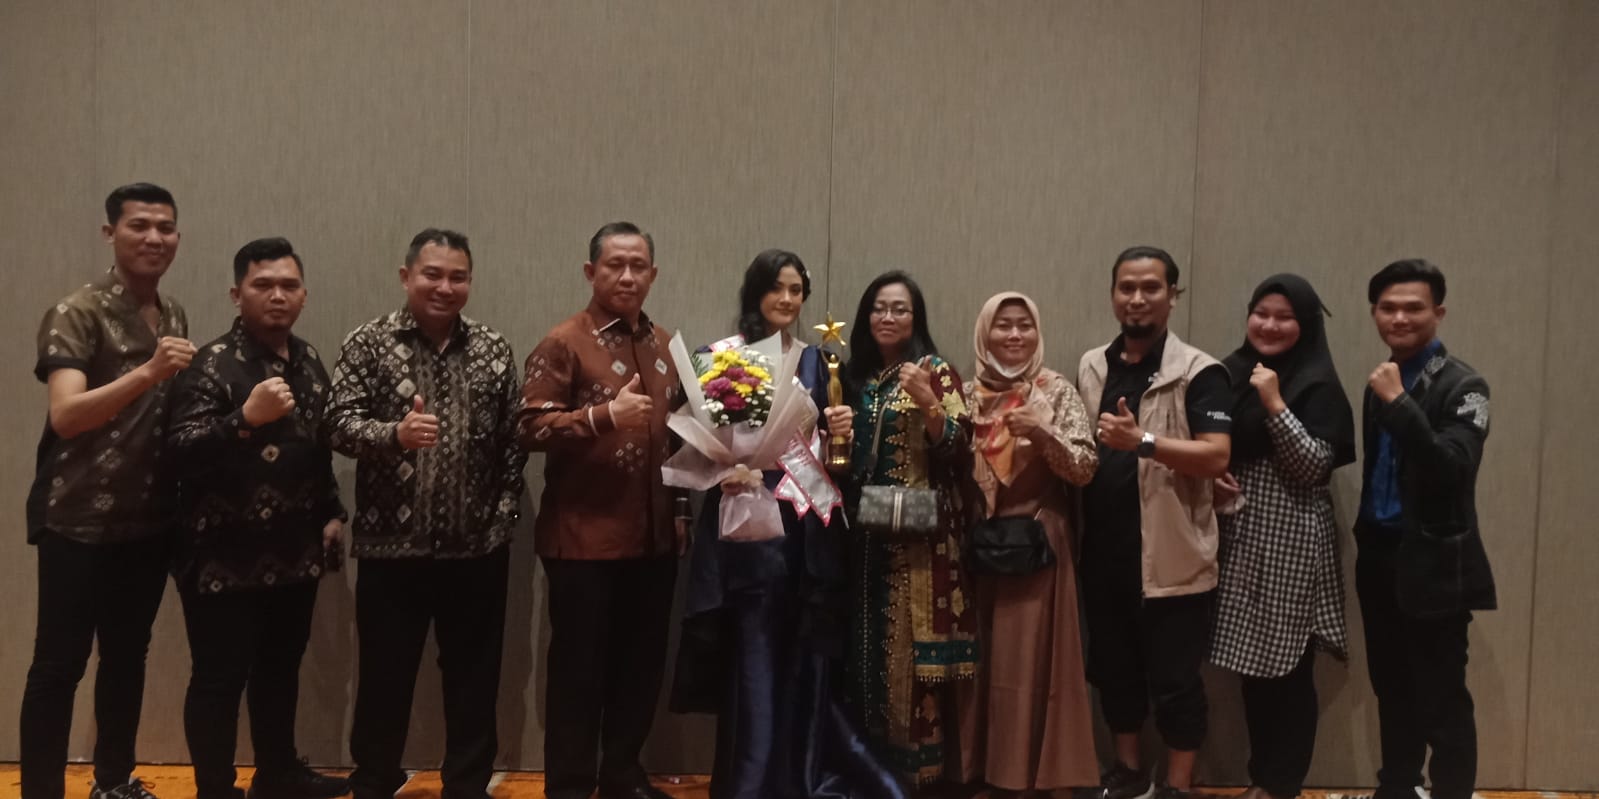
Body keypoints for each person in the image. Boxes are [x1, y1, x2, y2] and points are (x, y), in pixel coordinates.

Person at [669, 250, 906, 799]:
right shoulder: (723, 358)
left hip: (805, 522)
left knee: (805, 653)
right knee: (753, 649)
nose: (786, 299)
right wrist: (723, 470)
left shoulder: (822, 364)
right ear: (756, 292)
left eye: (796, 290)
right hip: (746, 519)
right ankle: (751, 781)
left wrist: (842, 430)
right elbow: (694, 443)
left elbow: (837, 459)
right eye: (776, 287)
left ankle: (798, 774)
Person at [328, 228, 527, 799]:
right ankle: (374, 782)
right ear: (406, 276)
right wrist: (394, 434)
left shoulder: (492, 347)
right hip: (393, 550)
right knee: (385, 677)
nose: (445, 287)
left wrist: (503, 515)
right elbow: (336, 423)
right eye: (432, 275)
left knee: (474, 679)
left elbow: (513, 440)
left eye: (457, 277)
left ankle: (466, 786)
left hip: (477, 548)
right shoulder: (368, 342)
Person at [22, 183, 194, 799]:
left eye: (165, 227)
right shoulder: (77, 311)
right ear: (110, 233)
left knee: (126, 658)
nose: (154, 238)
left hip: (147, 519)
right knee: (59, 666)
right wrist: (148, 371)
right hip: (76, 518)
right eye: (139, 225)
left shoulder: (173, 313)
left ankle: (114, 782)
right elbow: (66, 415)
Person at [167, 237, 350, 799]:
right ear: (236, 294)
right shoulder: (210, 364)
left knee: (280, 667)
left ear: (304, 295)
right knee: (219, 678)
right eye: (263, 285)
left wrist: (332, 511)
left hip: (295, 547)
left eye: (289, 286)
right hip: (221, 553)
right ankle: (215, 789)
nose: (277, 296)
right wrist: (244, 419)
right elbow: (178, 452)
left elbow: (316, 447)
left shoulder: (309, 360)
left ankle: (278, 774)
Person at [518, 222, 688, 799]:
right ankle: (569, 785)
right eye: (615, 264)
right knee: (579, 672)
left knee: (641, 666)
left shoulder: (666, 346)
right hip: (583, 540)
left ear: (653, 274)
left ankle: (622, 773)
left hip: (654, 538)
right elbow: (527, 427)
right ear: (591, 272)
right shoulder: (564, 342)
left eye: (638, 265)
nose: (627, 276)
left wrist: (683, 511)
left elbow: (681, 440)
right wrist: (601, 417)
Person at [1076, 246, 1231, 799]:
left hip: (1174, 558)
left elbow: (1216, 455)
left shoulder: (1200, 371)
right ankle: (1128, 771)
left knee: (1176, 683)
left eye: (1151, 288)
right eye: (1127, 287)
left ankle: (1178, 785)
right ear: (1112, 294)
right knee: (1114, 672)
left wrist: (1141, 440)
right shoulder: (1093, 364)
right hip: (1104, 553)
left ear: (1173, 296)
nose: (1137, 298)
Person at [1210, 275, 1355, 799]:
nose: (1269, 325)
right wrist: (1212, 474)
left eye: (1284, 317)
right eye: (1262, 313)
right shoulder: (1229, 372)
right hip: (1239, 538)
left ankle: (1281, 784)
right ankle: (1261, 777)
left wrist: (1274, 403)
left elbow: (1313, 467)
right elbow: (1212, 446)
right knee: (1253, 666)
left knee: (1289, 669)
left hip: (1292, 541)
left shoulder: (1316, 383)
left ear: (1306, 324)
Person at [1353, 259, 1494, 799]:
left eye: (1413, 307)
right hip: (1379, 554)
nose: (1399, 318)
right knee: (1391, 688)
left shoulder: (1464, 385)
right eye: (1388, 308)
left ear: (1439, 312)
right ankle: (1396, 787)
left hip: (1435, 560)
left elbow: (1452, 468)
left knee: (1441, 698)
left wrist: (1399, 402)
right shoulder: (1380, 382)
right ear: (1374, 313)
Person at [842, 270, 977, 792]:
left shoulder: (935, 371)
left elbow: (961, 451)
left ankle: (915, 782)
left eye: (899, 308)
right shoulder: (855, 377)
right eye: (878, 307)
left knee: (909, 667)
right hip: (864, 538)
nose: (888, 317)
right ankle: (870, 773)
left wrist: (929, 403)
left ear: (915, 318)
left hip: (918, 545)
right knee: (865, 659)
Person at [959, 292, 1098, 798]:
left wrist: (1042, 433)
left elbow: (1084, 468)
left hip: (1037, 541)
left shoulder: (1055, 391)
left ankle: (1031, 777)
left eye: (1025, 325)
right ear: (985, 333)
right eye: (1003, 326)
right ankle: (981, 771)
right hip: (979, 544)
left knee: (1029, 663)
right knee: (982, 661)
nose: (1015, 335)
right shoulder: (964, 394)